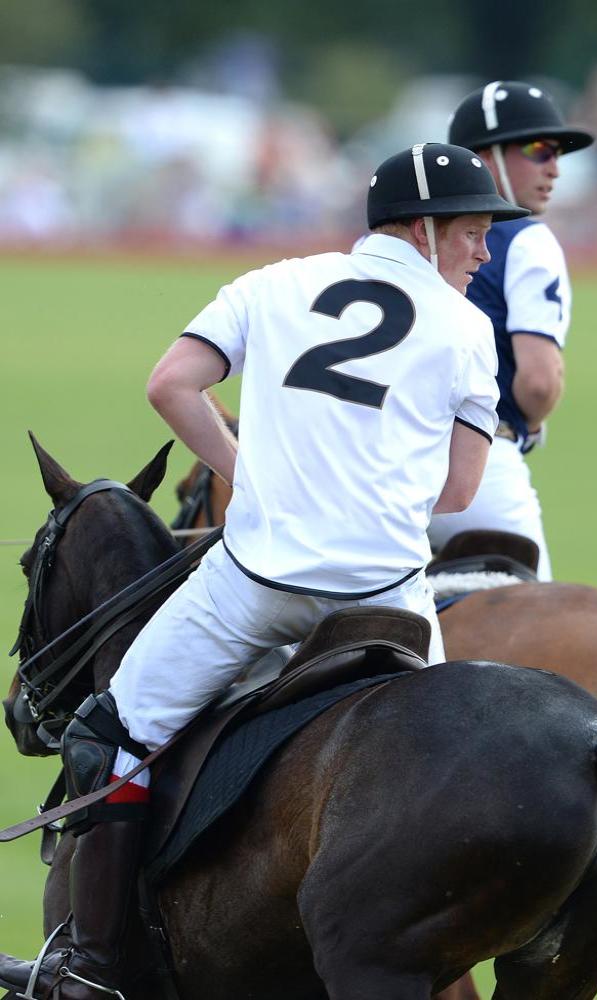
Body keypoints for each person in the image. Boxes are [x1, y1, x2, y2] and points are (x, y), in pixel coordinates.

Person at [0, 142, 527, 999]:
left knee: (109, 736)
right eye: (472, 232)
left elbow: (171, 385)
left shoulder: (273, 283)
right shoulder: (468, 331)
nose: (483, 250)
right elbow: (461, 489)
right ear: (425, 231)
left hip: (252, 588)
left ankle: (89, 968)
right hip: (385, 601)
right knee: (440, 770)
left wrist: (246, 470)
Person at [427, 81, 594, 580]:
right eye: (538, 149)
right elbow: (538, 381)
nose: (555, 166)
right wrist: (532, 419)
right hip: (473, 469)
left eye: (557, 153)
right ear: (484, 157)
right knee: (541, 625)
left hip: (372, 459)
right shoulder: (528, 240)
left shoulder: (397, 232)